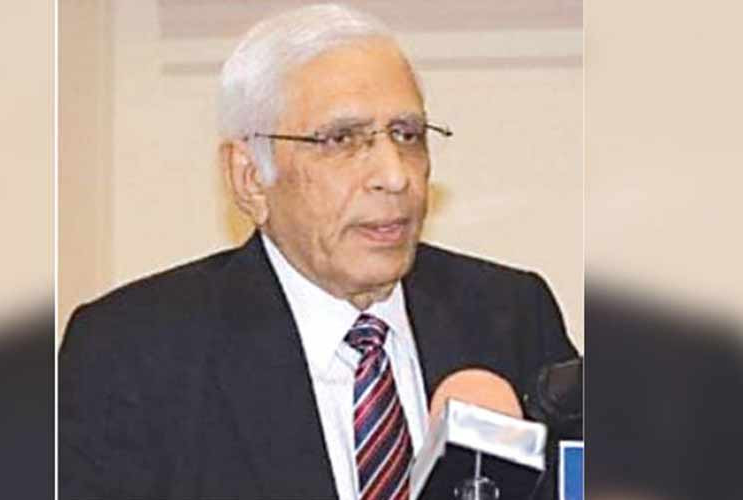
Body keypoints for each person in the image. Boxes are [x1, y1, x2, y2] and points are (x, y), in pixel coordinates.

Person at [59, 4, 577, 499]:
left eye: (407, 135)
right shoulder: (131, 354)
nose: (394, 175)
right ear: (250, 179)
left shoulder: (510, 315)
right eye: (341, 140)